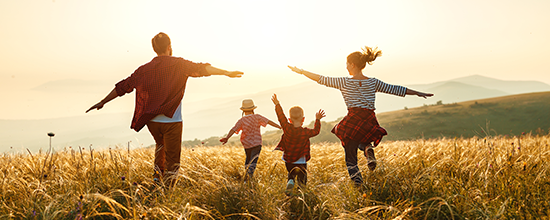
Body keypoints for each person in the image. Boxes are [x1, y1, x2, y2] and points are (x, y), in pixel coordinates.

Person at [86, 32, 243, 187]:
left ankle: (156, 180)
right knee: (173, 159)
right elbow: (202, 69)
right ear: (169, 47)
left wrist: (103, 101)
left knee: (160, 147)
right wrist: (226, 73)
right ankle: (167, 192)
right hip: (172, 121)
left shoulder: (143, 70)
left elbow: (123, 86)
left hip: (152, 122)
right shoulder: (179, 64)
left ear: (154, 48)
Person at [288, 46, 433, 187]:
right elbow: (395, 89)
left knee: (350, 156)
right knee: (362, 139)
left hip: (353, 118)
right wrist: (419, 93)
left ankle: (358, 184)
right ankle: (367, 148)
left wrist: (301, 72)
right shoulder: (373, 82)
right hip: (369, 119)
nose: (346, 67)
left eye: (347, 64)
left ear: (352, 64)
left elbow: (321, 79)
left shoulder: (344, 82)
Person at [271, 94, 325, 195]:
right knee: (302, 178)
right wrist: (317, 120)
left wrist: (277, 104)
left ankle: (290, 181)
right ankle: (301, 192)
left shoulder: (286, 128)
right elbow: (316, 131)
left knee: (291, 174)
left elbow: (280, 116)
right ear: (303, 119)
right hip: (301, 160)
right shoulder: (305, 132)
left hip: (288, 159)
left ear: (289, 119)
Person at [219, 99, 281, 181]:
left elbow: (233, 129)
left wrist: (227, 138)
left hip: (247, 144)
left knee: (248, 159)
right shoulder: (257, 117)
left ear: (243, 110)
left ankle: (246, 177)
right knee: (254, 160)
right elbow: (268, 121)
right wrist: (280, 126)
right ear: (253, 109)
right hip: (257, 143)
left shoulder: (242, 120)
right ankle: (248, 177)